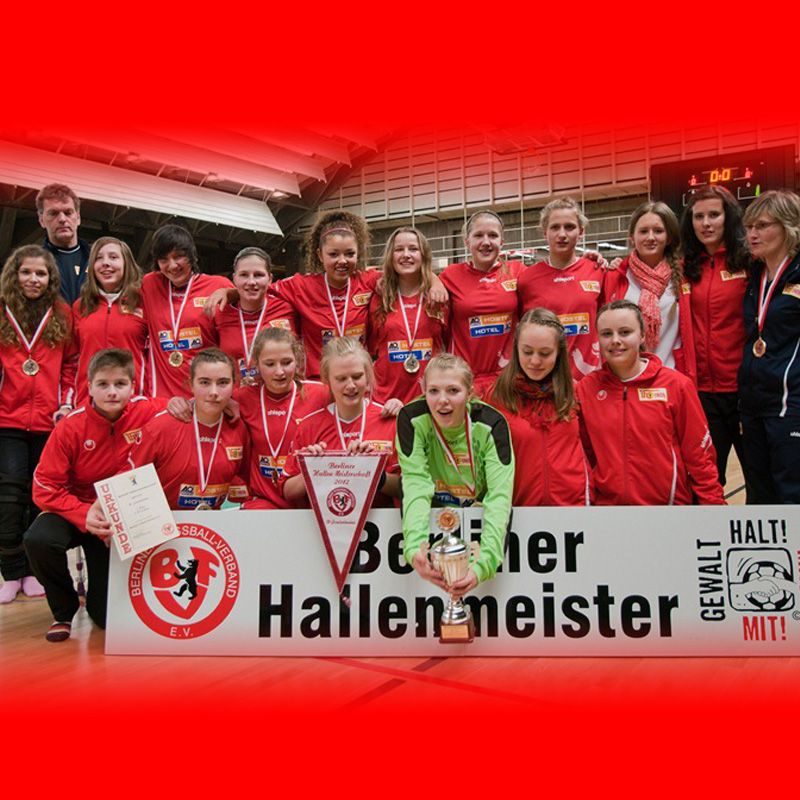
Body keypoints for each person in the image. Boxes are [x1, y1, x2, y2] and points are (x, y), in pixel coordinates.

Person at [25, 349, 167, 641]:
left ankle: (96, 603)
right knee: (38, 539)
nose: (112, 392)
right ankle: (63, 611)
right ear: (88, 386)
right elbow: (43, 486)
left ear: (133, 385)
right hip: (77, 511)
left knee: (104, 618)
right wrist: (83, 512)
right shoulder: (70, 427)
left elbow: (192, 404)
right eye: (103, 384)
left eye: (120, 384)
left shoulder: (149, 411)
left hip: (119, 518)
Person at [576, 300, 724, 505]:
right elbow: (584, 456)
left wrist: (714, 507)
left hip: (667, 514)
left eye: (625, 332)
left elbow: (700, 457)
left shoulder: (676, 386)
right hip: (608, 516)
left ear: (642, 335)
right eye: (607, 334)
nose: (615, 341)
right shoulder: (586, 389)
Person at [396, 353, 514, 597]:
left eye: (453, 391)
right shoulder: (411, 419)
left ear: (469, 393)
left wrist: (484, 565)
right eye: (434, 391)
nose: (442, 401)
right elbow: (415, 485)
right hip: (434, 513)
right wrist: (415, 548)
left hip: (478, 511)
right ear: (422, 390)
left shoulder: (493, 425)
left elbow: (499, 497)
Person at [0, 245, 76, 603]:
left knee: (38, 499)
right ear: (14, 275)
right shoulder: (2, 312)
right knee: (9, 497)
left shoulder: (62, 314)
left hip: (49, 423)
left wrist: (65, 404)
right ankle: (10, 572)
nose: (33, 279)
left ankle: (32, 571)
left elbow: (71, 365)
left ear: (51, 278)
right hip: (7, 420)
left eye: (41, 273)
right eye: (26, 272)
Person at [680, 185, 752, 495]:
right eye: (699, 217)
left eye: (713, 215)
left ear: (728, 218)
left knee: (758, 476)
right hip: (701, 394)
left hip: (745, 390)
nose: (706, 223)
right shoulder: (682, 267)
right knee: (706, 480)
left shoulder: (750, 263)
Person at [487, 308, 591, 505]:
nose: (535, 361)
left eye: (545, 353)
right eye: (527, 352)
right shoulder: (496, 396)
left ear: (559, 352)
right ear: (516, 348)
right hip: (519, 510)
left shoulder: (576, 392)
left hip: (573, 509)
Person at [281, 337, 399, 505]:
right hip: (324, 527)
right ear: (327, 380)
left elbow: (405, 488)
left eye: (357, 376)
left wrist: (375, 473)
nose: (350, 385)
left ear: (368, 376)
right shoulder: (309, 426)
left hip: (382, 525)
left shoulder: (390, 421)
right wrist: (313, 470)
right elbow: (288, 492)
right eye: (341, 379)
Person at [738, 190, 800, 503]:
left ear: (789, 227)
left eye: (762, 225)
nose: (752, 234)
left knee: (791, 492)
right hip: (753, 404)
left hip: (791, 405)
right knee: (759, 495)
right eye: (749, 227)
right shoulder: (755, 276)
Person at [130, 348, 249, 509]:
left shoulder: (239, 428)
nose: (214, 392)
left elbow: (248, 480)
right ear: (191, 384)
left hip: (212, 529)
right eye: (204, 382)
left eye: (222, 383)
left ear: (234, 385)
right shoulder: (160, 428)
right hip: (165, 527)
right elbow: (129, 482)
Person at [237, 328, 330, 509]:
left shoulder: (322, 393)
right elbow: (206, 401)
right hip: (265, 502)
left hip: (308, 503)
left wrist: (393, 405)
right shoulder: (242, 398)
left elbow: (361, 405)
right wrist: (179, 403)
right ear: (256, 364)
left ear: (297, 360)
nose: (279, 372)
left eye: (286, 362)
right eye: (270, 364)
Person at [605, 201, 696, 381]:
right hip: (627, 377)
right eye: (643, 231)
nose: (651, 237)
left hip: (670, 376)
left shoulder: (686, 274)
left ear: (669, 237)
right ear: (632, 237)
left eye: (658, 231)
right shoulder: (615, 276)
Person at [517, 198, 607, 380]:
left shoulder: (597, 270)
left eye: (569, 227)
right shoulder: (527, 279)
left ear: (581, 232)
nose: (562, 234)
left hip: (588, 377)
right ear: (545, 232)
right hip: (544, 378)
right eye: (555, 227)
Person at [140, 224, 233, 398]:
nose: (172, 265)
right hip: (161, 399)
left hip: (206, 397)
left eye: (178, 257)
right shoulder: (150, 284)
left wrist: (233, 292)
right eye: (164, 260)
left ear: (191, 256)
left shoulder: (218, 286)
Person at [439, 211, 525, 395]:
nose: (486, 242)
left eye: (493, 235)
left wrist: (592, 260)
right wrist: (431, 280)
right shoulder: (449, 276)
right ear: (467, 241)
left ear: (502, 241)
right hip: (465, 379)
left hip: (508, 379)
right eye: (478, 235)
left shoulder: (518, 271)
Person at [368, 226, 448, 404]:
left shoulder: (439, 297)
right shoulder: (378, 298)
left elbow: (449, 343)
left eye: (413, 249)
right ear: (390, 256)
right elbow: (371, 346)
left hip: (429, 398)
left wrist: (435, 280)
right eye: (399, 249)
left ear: (424, 255)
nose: (406, 254)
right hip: (385, 397)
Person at [72, 236, 148, 407]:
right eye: (99, 258)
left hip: (134, 404)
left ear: (126, 263)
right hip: (88, 403)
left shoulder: (144, 302)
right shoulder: (80, 306)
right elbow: (72, 360)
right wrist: (69, 403)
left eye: (113, 257)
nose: (105, 263)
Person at [213, 247, 296, 385]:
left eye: (258, 275)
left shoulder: (288, 307)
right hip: (236, 399)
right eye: (244, 275)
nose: (251, 282)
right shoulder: (221, 312)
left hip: (278, 397)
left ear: (270, 279)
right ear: (234, 279)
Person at [36, 183, 91, 305]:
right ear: (41, 220)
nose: (62, 219)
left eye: (68, 212)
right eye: (53, 213)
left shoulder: (98, 261)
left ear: (78, 217)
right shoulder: (32, 265)